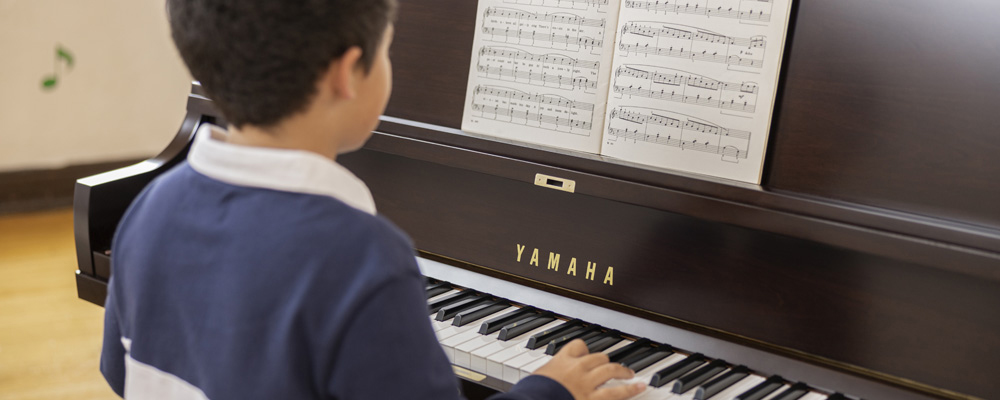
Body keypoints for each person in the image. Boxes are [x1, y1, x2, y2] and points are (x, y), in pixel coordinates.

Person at [100, 1, 647, 399]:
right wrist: (548, 391)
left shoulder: (150, 211)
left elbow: (121, 374)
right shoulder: (360, 259)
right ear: (347, 74)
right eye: (388, 50)